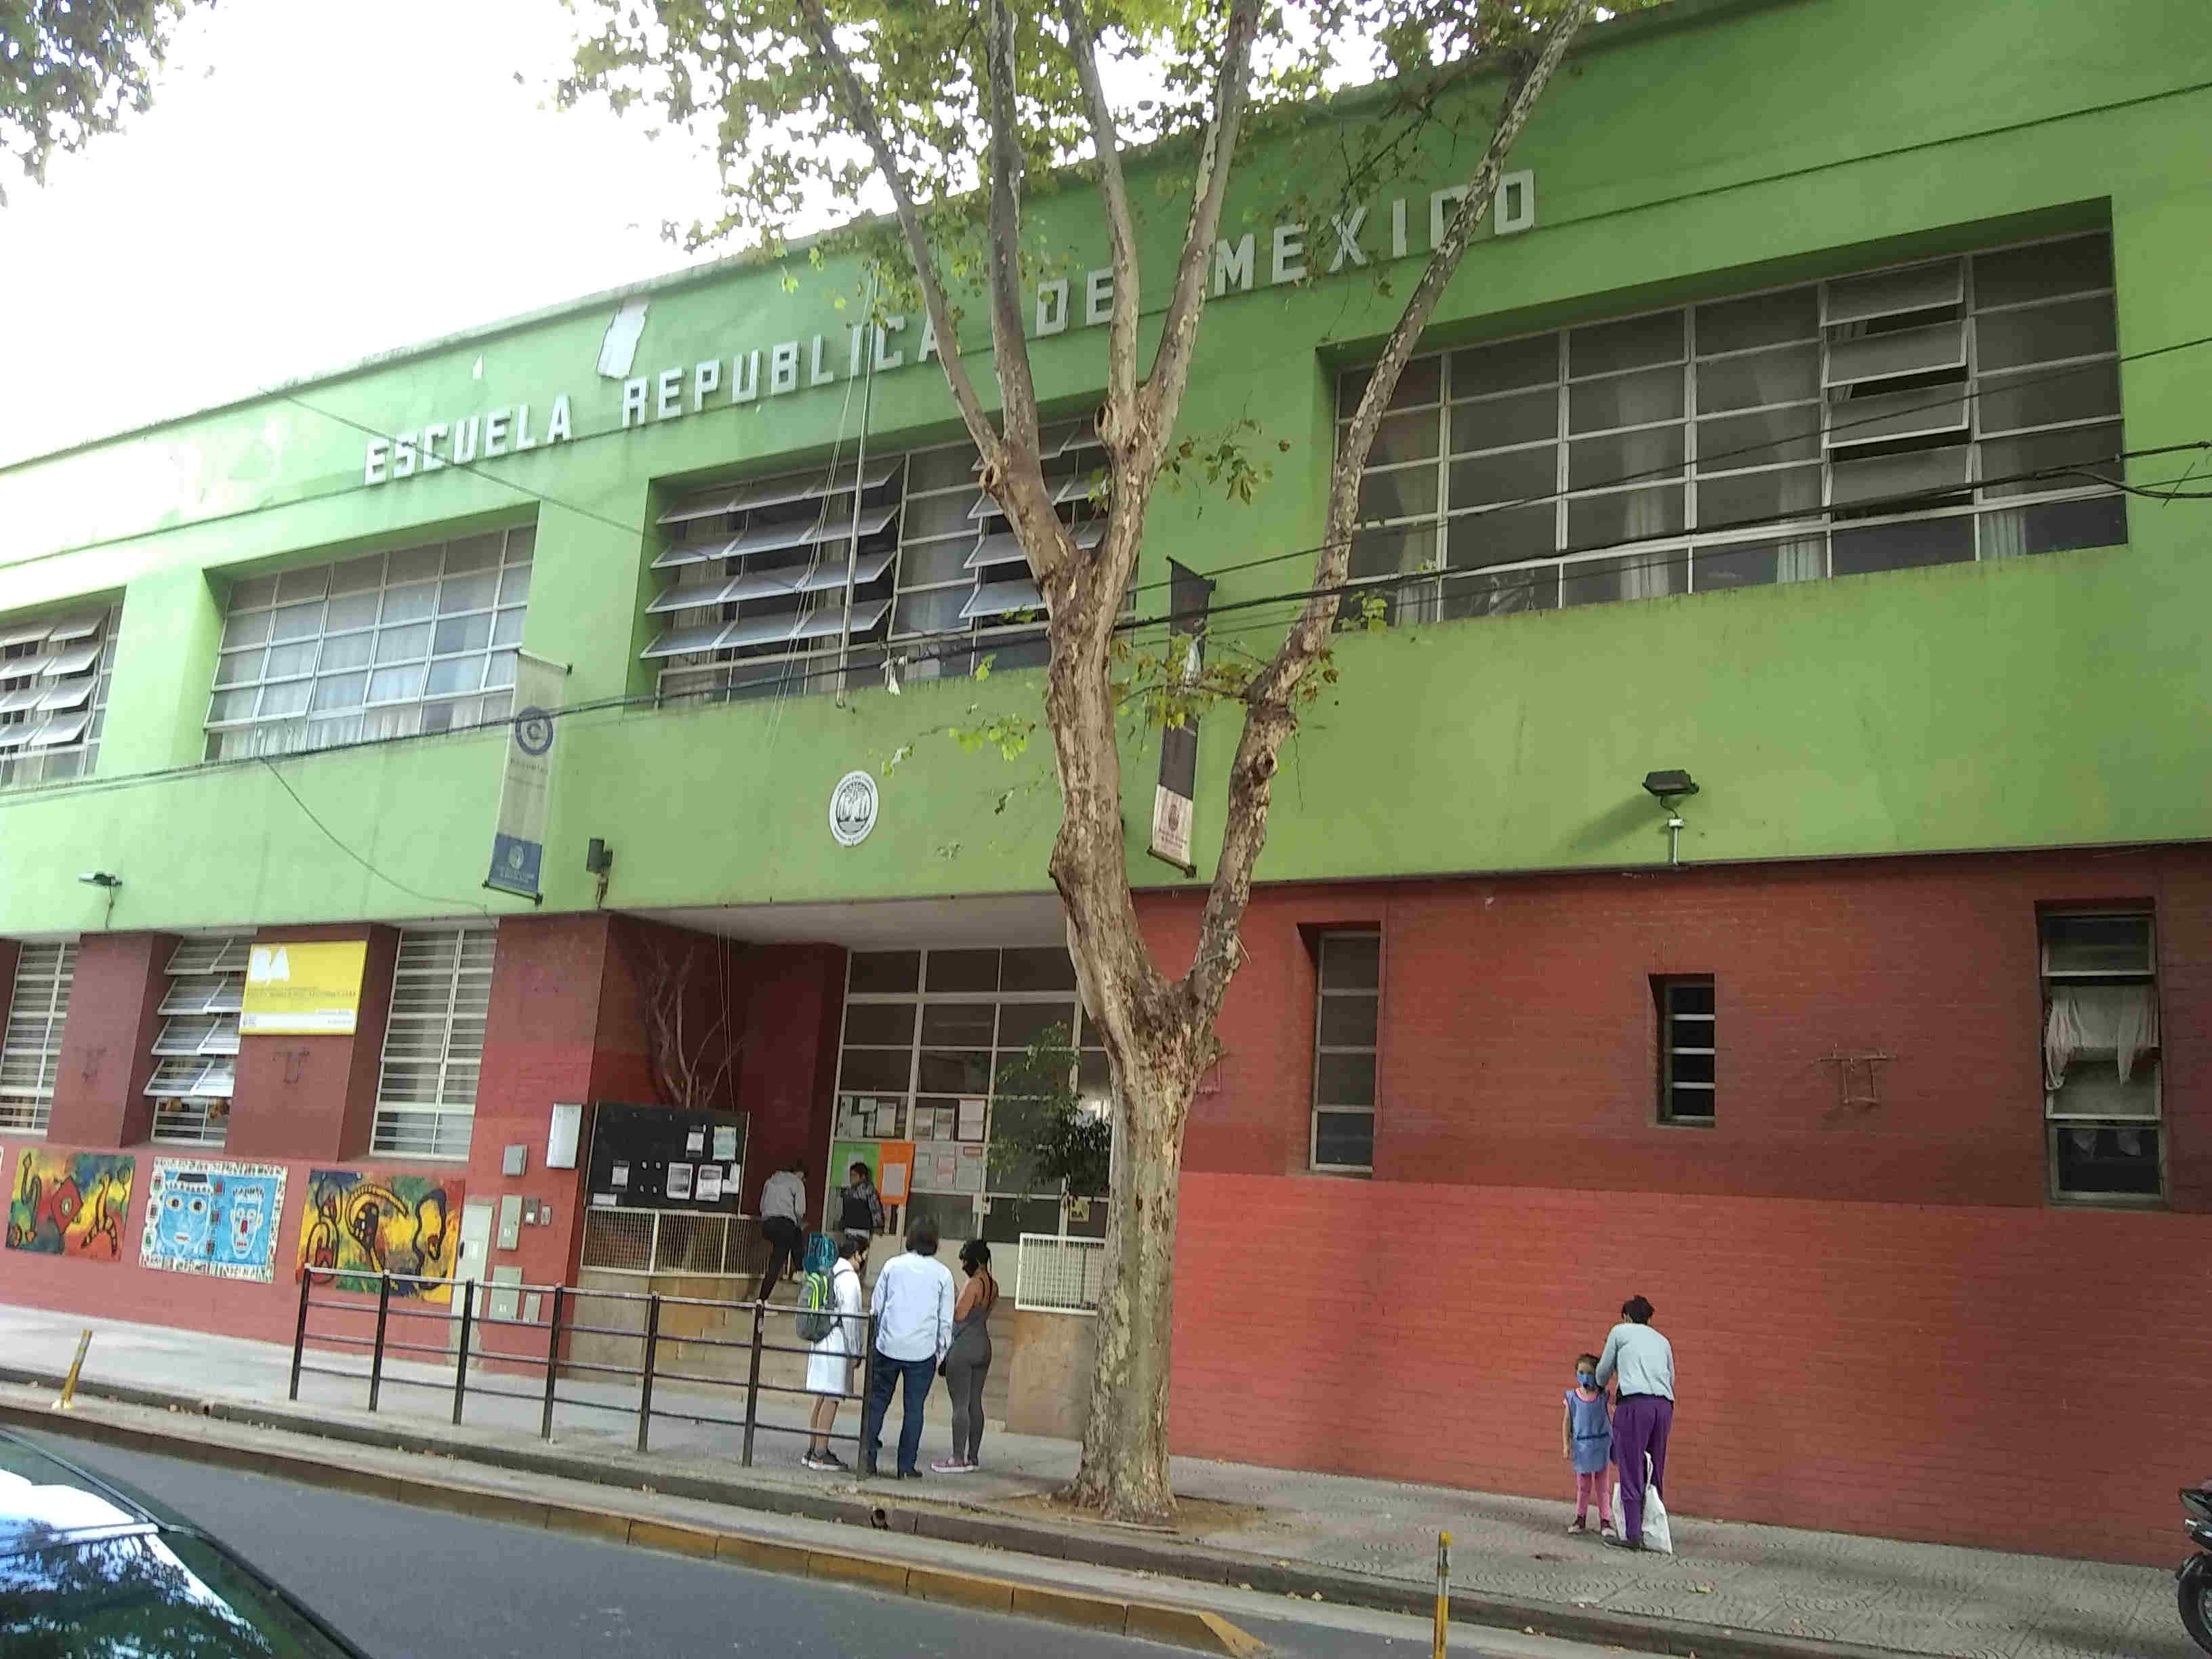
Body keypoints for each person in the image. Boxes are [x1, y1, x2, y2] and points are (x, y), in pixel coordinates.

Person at [859, 1215, 955, 1479]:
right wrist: (940, 1353)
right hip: (922, 1352)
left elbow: (876, 1307)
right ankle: (905, 1466)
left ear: (910, 1238)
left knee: (877, 1403)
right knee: (914, 1410)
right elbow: (946, 1321)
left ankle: (867, 1459)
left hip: (888, 1346)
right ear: (935, 1242)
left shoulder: (892, 1266)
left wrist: (876, 1341)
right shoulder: (943, 1275)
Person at [1595, 1294, 1675, 1551]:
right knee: (1655, 1467)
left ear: (1626, 1317)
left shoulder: (1620, 1332)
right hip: (1663, 1405)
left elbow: (1603, 1371)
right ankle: (1655, 1531)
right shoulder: (1663, 1341)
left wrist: (1599, 1385)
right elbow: (1671, 1377)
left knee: (1631, 1466)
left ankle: (1632, 1535)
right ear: (1649, 1319)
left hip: (1634, 1404)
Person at [802, 1231, 868, 1471]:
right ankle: (820, 1454)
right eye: (864, 1255)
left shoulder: (827, 1270)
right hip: (837, 1342)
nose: (864, 1260)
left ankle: (813, 1449)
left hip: (821, 1339)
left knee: (820, 1397)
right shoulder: (849, 1279)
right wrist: (856, 1351)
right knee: (832, 1398)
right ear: (856, 1255)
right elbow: (851, 1320)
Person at [932, 1240, 999, 1473]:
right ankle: (973, 1457)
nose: (963, 1266)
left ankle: (957, 1458)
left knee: (960, 1404)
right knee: (975, 1402)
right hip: (983, 1345)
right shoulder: (993, 1286)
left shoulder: (973, 1285)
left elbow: (958, 1316)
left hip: (964, 1347)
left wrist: (951, 1299)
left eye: (966, 1261)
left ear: (977, 1261)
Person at [1561, 1351, 1615, 1537]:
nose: (1585, 1376)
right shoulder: (1572, 1397)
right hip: (1582, 1448)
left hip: (1601, 1446)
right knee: (1583, 1486)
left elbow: (1618, 1404)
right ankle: (1580, 1518)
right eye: (1581, 1372)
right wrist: (1566, 1444)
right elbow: (1567, 1421)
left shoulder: (1603, 1396)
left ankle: (1605, 1521)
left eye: (1590, 1373)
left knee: (1602, 1487)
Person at [756, 1158, 807, 1300]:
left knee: (793, 1237)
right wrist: (798, 1222)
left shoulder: (770, 1181)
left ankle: (798, 1270)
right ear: (802, 1175)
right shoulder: (798, 1183)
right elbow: (799, 1211)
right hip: (784, 1226)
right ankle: (762, 1299)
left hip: (767, 1225)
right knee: (776, 1262)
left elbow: (761, 1206)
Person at [837, 1160, 885, 1237]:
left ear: (863, 1177)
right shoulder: (849, 1191)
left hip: (862, 1230)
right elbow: (845, 1211)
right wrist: (842, 1223)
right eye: (850, 1175)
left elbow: (875, 1210)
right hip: (849, 1228)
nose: (851, 1178)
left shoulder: (869, 1190)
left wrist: (878, 1226)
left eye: (854, 1175)